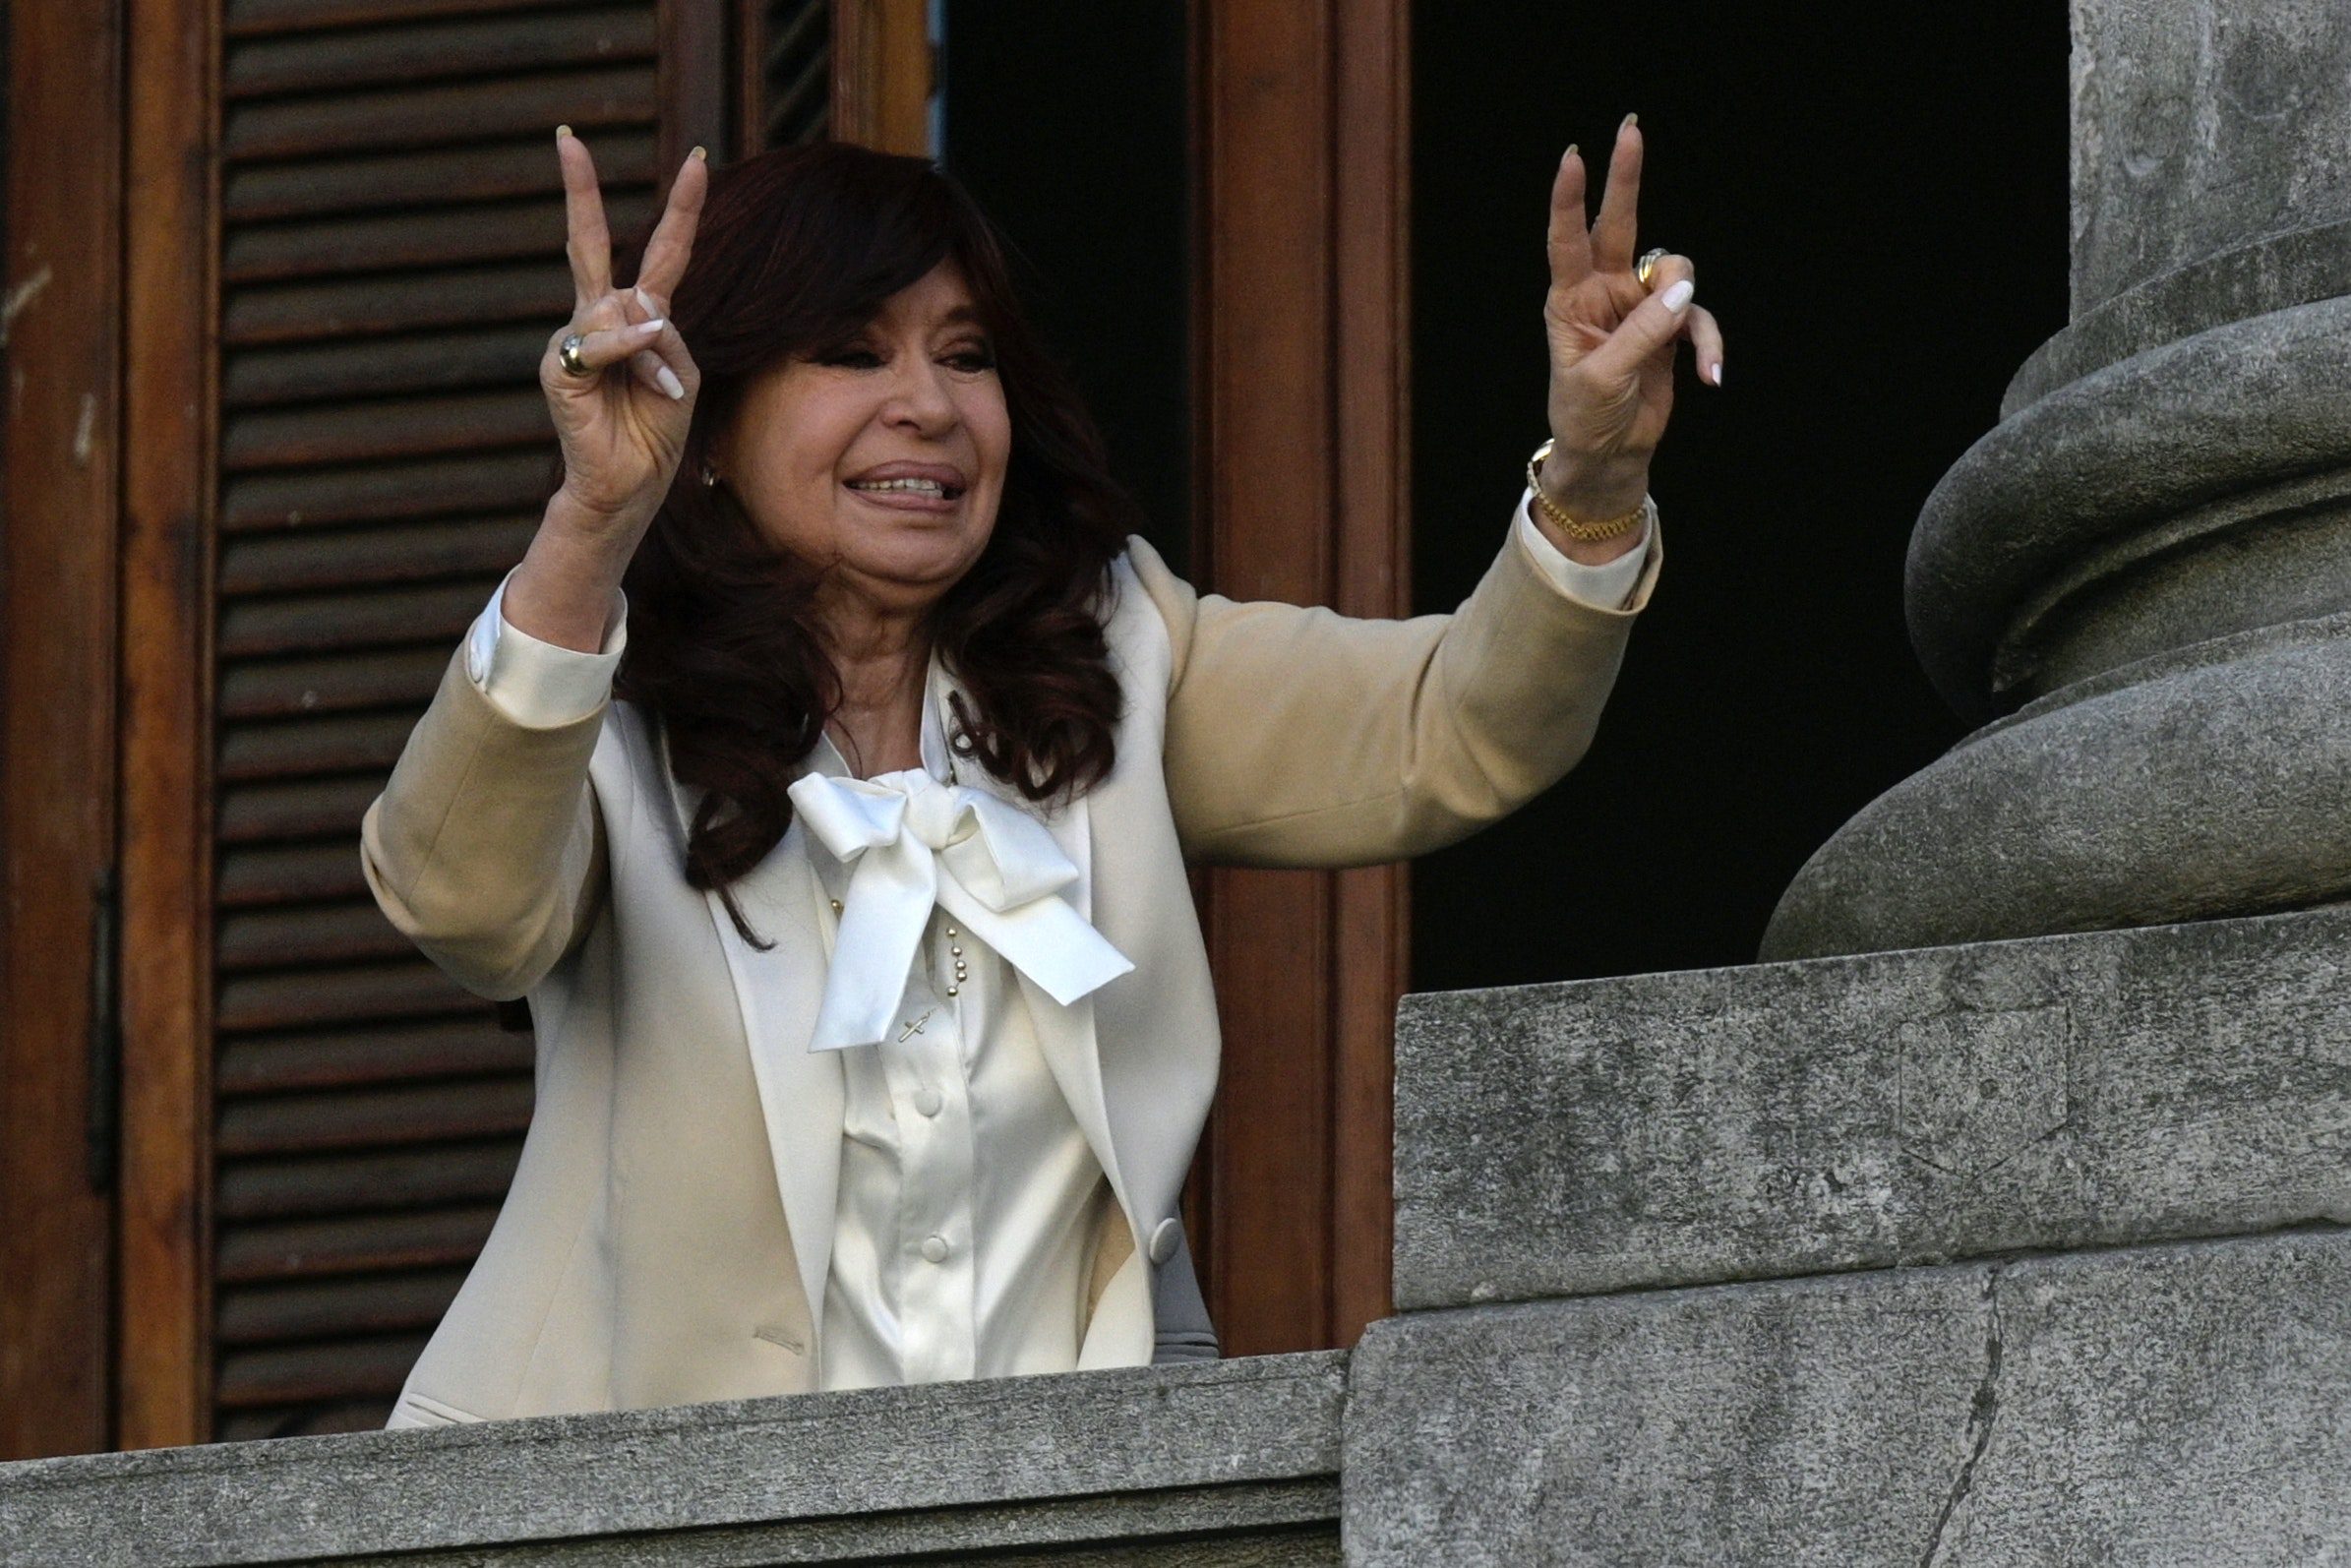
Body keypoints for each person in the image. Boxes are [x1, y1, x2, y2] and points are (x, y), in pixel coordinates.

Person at [362, 121, 1719, 1427]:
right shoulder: (587, 705)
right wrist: (590, 523)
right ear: (705, 420)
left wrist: (1590, 477)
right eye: (850, 353)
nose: (929, 407)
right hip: (644, 1518)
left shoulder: (1115, 648)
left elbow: (1458, 726)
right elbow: (459, 902)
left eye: (966, 356)